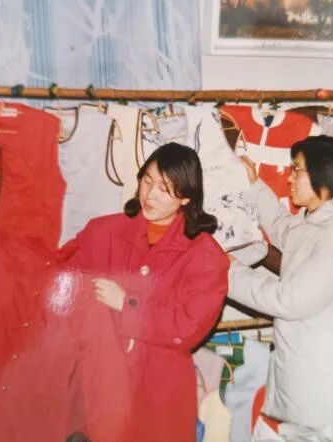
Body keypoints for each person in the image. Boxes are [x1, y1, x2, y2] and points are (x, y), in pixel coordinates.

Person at [60, 142, 230, 442]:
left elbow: (188, 327)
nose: (150, 195)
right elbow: (63, 290)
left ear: (186, 197)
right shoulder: (103, 232)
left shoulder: (205, 255)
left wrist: (126, 304)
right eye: (147, 181)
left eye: (165, 189)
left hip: (157, 392)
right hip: (96, 384)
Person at [228, 135, 333, 435]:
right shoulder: (315, 222)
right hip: (306, 380)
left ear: (325, 176)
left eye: (297, 170)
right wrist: (254, 186)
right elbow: (282, 228)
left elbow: (288, 301)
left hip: (330, 389)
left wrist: (227, 271)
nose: (290, 178)